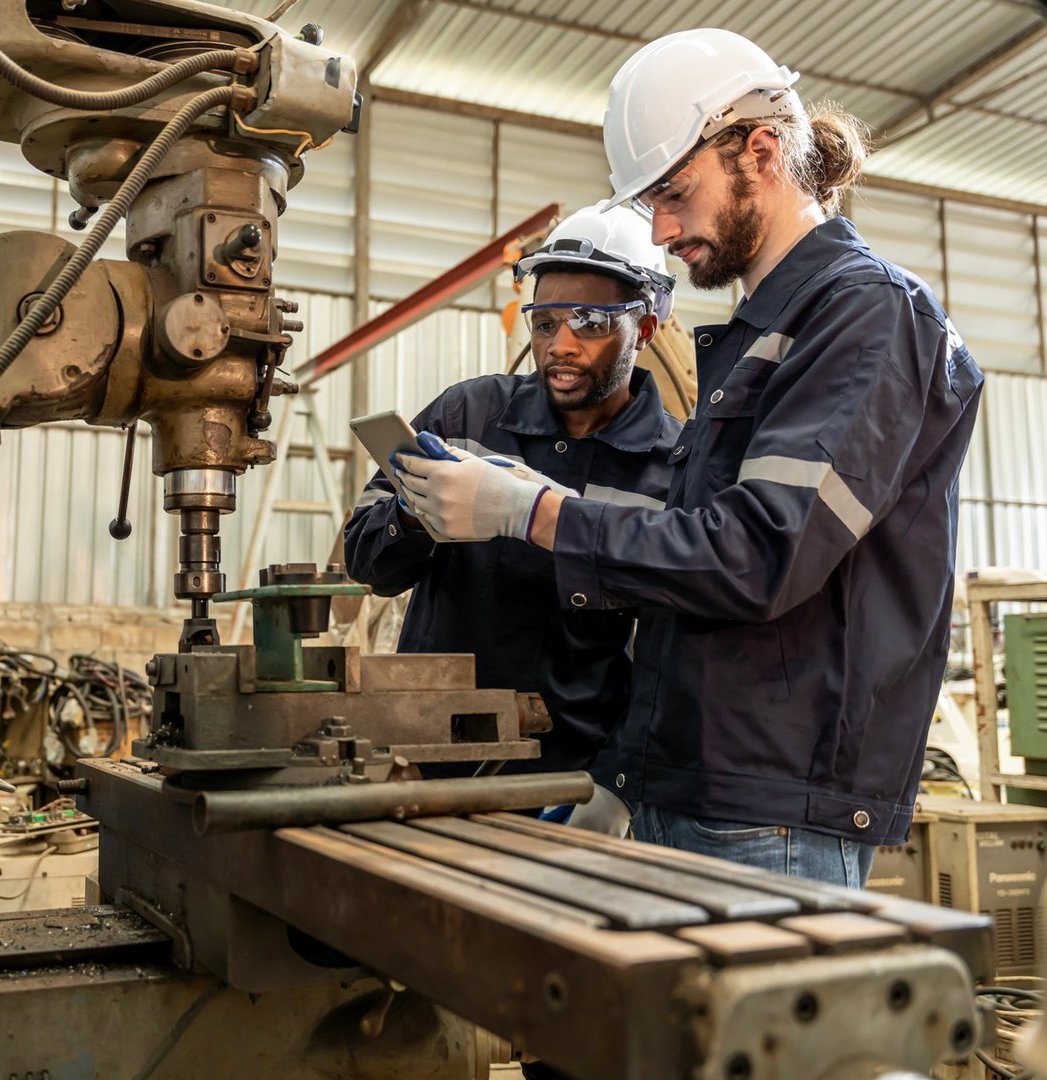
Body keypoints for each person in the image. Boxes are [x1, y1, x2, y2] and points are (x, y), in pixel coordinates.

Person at [394, 28, 984, 887]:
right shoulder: (758, 335)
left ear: (763, 151)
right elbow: (692, 550)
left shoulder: (864, 318)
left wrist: (531, 512)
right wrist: (629, 769)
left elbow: (755, 557)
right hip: (694, 787)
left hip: (772, 811)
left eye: (675, 193)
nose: (663, 230)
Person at [344, 205, 679, 797]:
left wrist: (613, 786)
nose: (561, 346)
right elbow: (366, 562)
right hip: (426, 760)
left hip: (569, 778)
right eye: (545, 322)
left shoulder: (674, 466)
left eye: (590, 322)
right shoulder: (467, 417)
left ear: (644, 329)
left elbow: (673, 663)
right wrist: (418, 510)